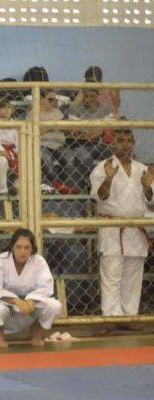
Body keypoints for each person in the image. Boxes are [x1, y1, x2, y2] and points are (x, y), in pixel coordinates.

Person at [89, 130, 154, 335]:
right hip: (112, 226)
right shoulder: (103, 167)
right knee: (111, 274)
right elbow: (99, 197)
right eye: (120, 141)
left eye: (128, 141)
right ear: (113, 143)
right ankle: (110, 317)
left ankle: (129, 316)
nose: (125, 145)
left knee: (133, 277)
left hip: (136, 227)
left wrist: (147, 187)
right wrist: (108, 179)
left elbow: (151, 202)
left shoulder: (143, 169)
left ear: (133, 143)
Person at [0, 229, 62, 348]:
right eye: (18, 247)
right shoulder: (1, 261)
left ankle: (36, 334)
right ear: (12, 247)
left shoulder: (39, 261)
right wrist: (15, 301)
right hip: (9, 309)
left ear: (32, 249)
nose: (22, 251)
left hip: (31, 309)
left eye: (27, 247)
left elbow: (46, 287)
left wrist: (32, 300)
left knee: (54, 305)